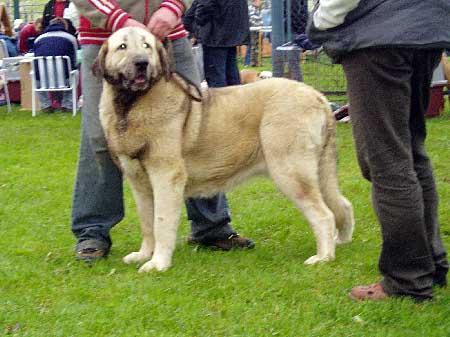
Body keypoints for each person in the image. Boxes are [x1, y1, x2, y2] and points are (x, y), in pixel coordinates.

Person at [71, 0, 254, 261]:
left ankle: (211, 226)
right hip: (107, 37)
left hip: (169, 35)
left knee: (201, 129)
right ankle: (93, 231)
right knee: (100, 139)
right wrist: (116, 19)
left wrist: (173, 7)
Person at [307, 0, 450, 301]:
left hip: (378, 35)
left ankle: (407, 280)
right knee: (411, 151)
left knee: (387, 161)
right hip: (424, 28)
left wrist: (322, 20)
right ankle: (431, 264)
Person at [188, 0, 249, 87]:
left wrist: (196, 23)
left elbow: (205, 5)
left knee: (217, 80)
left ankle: (222, 99)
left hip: (215, 32)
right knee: (231, 77)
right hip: (231, 31)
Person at [33, 17, 79, 113]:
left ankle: (45, 105)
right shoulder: (71, 38)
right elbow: (75, 59)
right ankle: (67, 104)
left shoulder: (38, 39)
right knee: (75, 72)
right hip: (64, 77)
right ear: (65, 26)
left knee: (35, 75)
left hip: (43, 79)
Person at [273, 0, 308, 82]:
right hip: (290, 32)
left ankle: (298, 89)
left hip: (290, 32)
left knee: (286, 64)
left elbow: (297, 14)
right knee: (288, 64)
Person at [246, 0, 263, 67]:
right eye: (259, 1)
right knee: (253, 47)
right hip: (253, 30)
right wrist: (259, 28)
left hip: (258, 30)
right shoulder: (251, 9)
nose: (260, 2)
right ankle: (252, 63)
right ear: (255, 1)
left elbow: (260, 19)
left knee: (258, 47)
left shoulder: (258, 9)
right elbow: (252, 20)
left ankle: (257, 62)